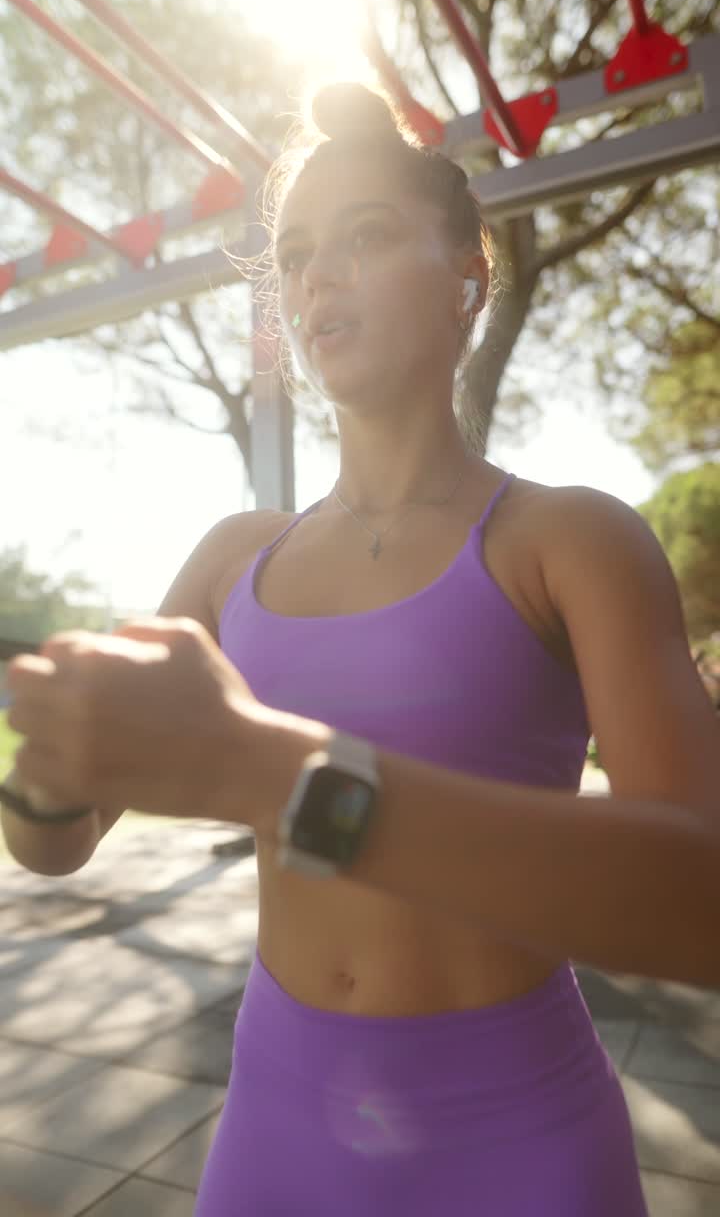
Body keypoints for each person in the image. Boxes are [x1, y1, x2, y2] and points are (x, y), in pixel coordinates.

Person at [3, 82, 719, 1215]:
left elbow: (705, 897)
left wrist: (275, 776)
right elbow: (54, 846)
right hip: (277, 1123)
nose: (314, 275)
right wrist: (43, 769)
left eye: (366, 235)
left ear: (466, 279)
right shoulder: (232, 557)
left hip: (519, 1138)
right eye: (293, 254)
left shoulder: (568, 540)